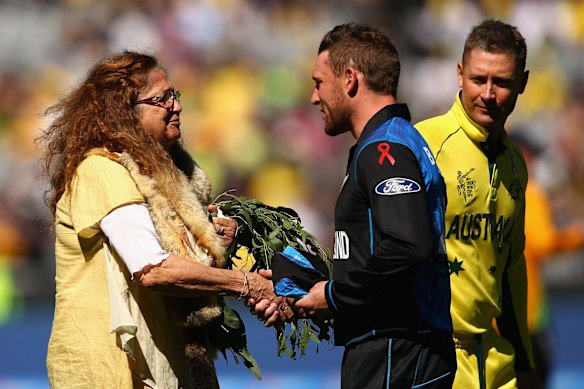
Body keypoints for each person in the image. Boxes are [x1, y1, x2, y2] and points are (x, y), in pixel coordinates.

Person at [38, 51, 291, 389]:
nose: (177, 106)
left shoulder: (155, 173)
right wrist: (248, 283)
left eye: (175, 95)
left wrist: (211, 243)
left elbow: (170, 260)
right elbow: (153, 269)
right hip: (106, 368)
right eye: (162, 98)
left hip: (155, 362)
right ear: (123, 111)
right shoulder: (102, 169)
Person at [290, 23, 456, 388]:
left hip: (397, 347)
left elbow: (407, 245)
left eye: (319, 82)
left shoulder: (386, 150)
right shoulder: (387, 144)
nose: (314, 97)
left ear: (349, 79)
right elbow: (374, 253)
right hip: (396, 347)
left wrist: (334, 296)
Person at [415, 19, 542, 388]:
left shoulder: (516, 163)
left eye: (501, 82)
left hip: (497, 364)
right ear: (459, 74)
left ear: (523, 83)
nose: (488, 93)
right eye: (478, 79)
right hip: (434, 360)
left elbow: (512, 270)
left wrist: (524, 362)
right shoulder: (423, 145)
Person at [510, 129, 584, 387]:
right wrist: (576, 237)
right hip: (528, 312)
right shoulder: (530, 192)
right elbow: (543, 242)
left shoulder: (496, 188)